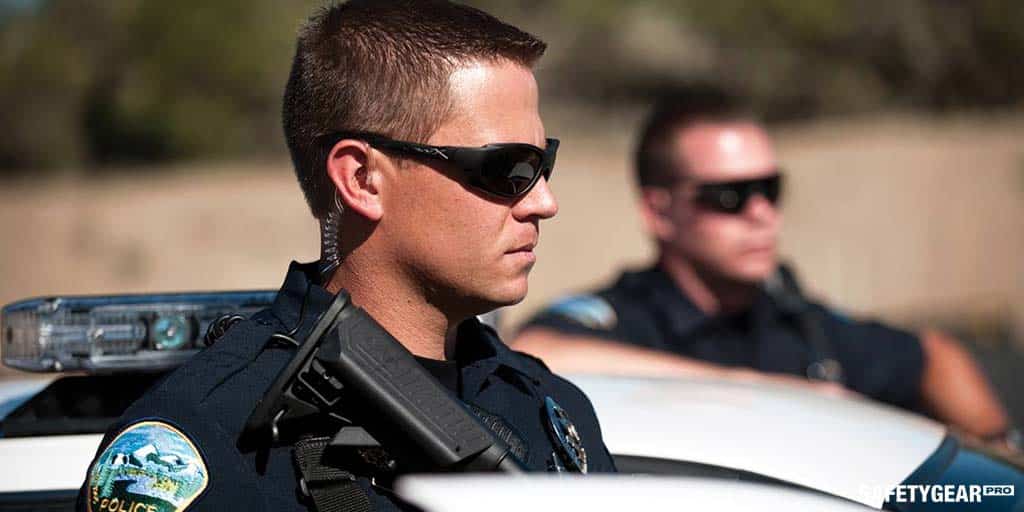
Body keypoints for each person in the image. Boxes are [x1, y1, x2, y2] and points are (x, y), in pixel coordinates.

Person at [77, 2, 616, 511]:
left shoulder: (551, 408)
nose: (544, 202)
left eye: (544, 162)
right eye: (507, 169)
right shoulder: (207, 444)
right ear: (362, 178)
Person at [514, 90, 1011, 441]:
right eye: (730, 196)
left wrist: (1000, 457)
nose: (761, 214)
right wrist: (758, 392)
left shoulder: (795, 321)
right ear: (658, 211)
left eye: (770, 190)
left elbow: (935, 358)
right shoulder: (628, 317)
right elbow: (536, 354)